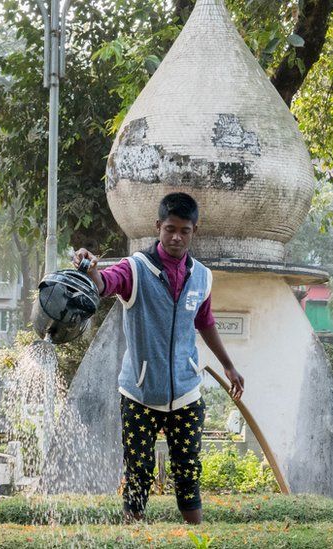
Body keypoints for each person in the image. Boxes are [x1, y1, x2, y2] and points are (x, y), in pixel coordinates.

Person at [74, 192, 245, 525]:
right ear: (158, 227)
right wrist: (92, 271)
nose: (177, 237)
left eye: (184, 230)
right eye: (170, 229)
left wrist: (228, 364)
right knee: (138, 472)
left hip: (185, 391)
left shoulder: (202, 277)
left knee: (188, 471)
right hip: (139, 393)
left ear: (194, 230)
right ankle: (133, 536)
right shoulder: (136, 268)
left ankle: (198, 540)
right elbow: (105, 285)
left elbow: (204, 320)